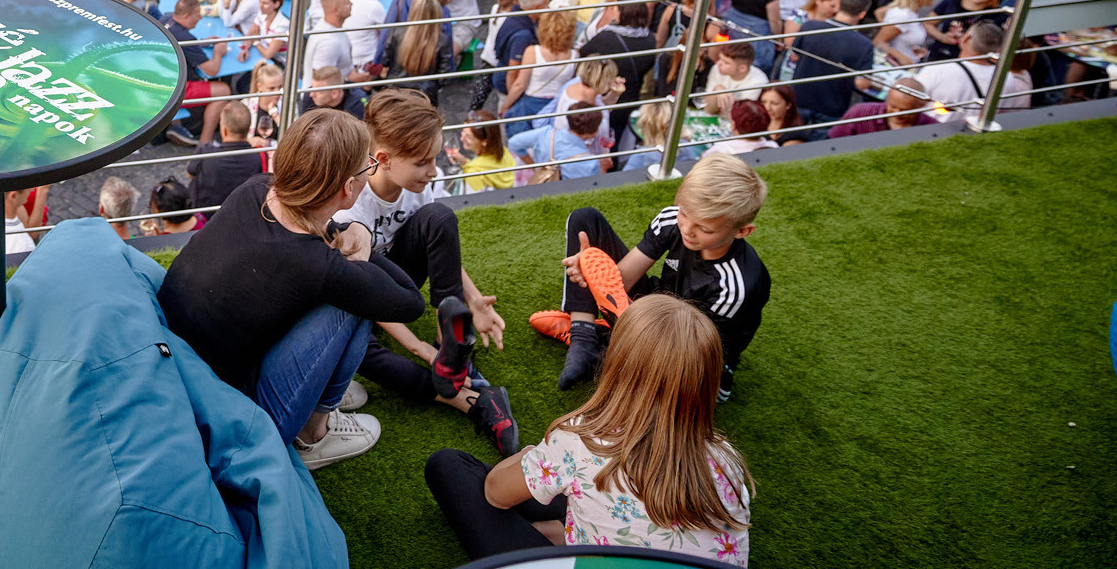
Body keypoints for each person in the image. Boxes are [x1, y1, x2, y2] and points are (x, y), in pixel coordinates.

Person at [156, 109, 426, 469]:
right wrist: (362, 243)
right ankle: (313, 434)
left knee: (347, 287)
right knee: (353, 303)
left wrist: (346, 230)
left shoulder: (254, 189)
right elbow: (411, 302)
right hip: (242, 418)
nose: (369, 170)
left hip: (184, 375)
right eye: (367, 166)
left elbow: (311, 236)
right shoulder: (315, 265)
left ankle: (316, 390)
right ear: (348, 188)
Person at [427, 293, 754, 564]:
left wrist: (531, 454)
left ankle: (558, 534)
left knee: (449, 466)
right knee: (578, 489)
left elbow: (494, 493)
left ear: (617, 364)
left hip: (582, 525)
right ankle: (566, 532)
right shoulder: (728, 461)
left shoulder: (580, 440)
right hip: (629, 548)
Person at [337, 91, 519, 454]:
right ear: (383, 159)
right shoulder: (351, 206)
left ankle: (449, 345)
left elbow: (441, 247)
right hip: (358, 297)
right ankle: (471, 400)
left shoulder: (416, 186)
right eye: (423, 162)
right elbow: (364, 292)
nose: (434, 171)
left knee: (440, 216)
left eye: (434, 159)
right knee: (357, 353)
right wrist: (418, 348)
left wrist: (473, 300)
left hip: (398, 280)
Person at [530, 152, 772, 398]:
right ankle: (583, 337)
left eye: (704, 228)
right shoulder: (672, 221)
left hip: (692, 355)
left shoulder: (735, 286)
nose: (687, 229)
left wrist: (634, 323)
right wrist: (590, 271)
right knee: (585, 219)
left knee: (670, 389)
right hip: (658, 306)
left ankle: (607, 344)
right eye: (684, 213)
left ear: (742, 231)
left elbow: (694, 352)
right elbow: (620, 282)